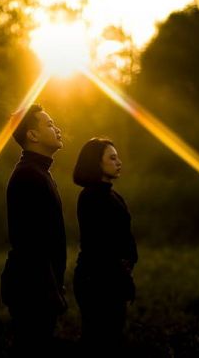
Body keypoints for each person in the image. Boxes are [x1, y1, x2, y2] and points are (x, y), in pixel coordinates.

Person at [0, 104, 67, 357]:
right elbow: (32, 245)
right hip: (32, 289)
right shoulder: (29, 175)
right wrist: (51, 291)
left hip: (38, 287)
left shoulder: (40, 173)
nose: (57, 128)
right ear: (32, 135)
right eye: (49, 124)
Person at [72, 137, 138, 353]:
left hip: (112, 279)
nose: (118, 162)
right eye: (112, 158)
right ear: (96, 163)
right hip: (98, 282)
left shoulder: (112, 195)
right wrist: (121, 273)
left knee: (111, 340)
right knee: (99, 342)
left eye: (118, 157)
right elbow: (100, 246)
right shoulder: (91, 197)